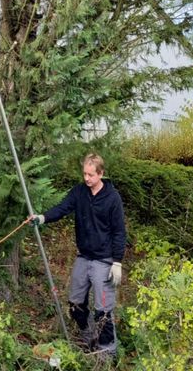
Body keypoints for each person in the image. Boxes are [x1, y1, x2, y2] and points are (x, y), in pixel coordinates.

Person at [29, 153, 126, 360]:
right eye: (84, 174)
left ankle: (107, 355)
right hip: (84, 257)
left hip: (104, 261)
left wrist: (117, 261)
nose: (87, 178)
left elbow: (119, 232)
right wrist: (42, 217)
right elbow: (63, 208)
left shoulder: (112, 198)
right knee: (75, 305)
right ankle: (90, 339)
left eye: (91, 175)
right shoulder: (79, 192)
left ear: (101, 174)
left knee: (104, 312)